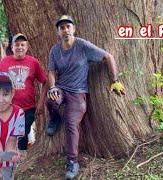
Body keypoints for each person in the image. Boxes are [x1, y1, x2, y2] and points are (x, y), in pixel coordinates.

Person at [46, 15, 125, 179]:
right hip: (61, 88)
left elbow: (108, 56)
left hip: (78, 92)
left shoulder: (82, 45)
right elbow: (51, 71)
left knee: (71, 123)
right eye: (62, 28)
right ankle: (54, 118)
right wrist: (53, 87)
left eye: (68, 26)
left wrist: (115, 80)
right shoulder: (55, 50)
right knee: (51, 100)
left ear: (73, 29)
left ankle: (72, 161)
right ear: (58, 32)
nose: (65, 30)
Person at [0, 33, 47, 150]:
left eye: (22, 45)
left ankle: (20, 157)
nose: (19, 47)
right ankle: (15, 158)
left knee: (22, 131)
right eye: (17, 45)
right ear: (12, 47)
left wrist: (41, 102)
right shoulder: (4, 62)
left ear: (27, 47)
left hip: (29, 108)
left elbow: (45, 81)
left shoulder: (33, 62)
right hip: (9, 108)